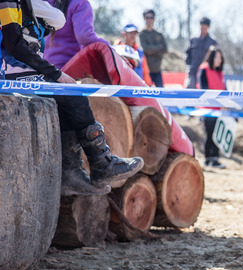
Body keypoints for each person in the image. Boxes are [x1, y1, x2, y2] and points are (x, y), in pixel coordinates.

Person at [1, 0, 144, 196]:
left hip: (18, 70)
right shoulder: (8, 1)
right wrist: (55, 73)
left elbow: (55, 21)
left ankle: (71, 170)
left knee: (65, 98)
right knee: (71, 93)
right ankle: (100, 162)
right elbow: (13, 42)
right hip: (8, 71)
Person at [43, 0, 109, 69]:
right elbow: (85, 37)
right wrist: (109, 48)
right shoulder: (80, 3)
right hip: (71, 70)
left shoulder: (45, 3)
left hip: (47, 68)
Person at [197, 45, 227, 169]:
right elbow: (203, 89)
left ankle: (214, 158)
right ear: (212, 58)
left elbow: (224, 90)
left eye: (220, 58)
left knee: (216, 134)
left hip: (219, 110)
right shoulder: (204, 70)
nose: (219, 60)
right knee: (209, 134)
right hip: (207, 109)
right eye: (217, 57)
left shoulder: (220, 73)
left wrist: (226, 103)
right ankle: (208, 158)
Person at [185, 17, 217, 89]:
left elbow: (216, 57)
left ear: (208, 27)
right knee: (190, 88)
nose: (202, 28)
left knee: (204, 91)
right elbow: (187, 53)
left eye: (204, 26)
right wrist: (189, 64)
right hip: (192, 69)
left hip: (205, 72)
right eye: (201, 25)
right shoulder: (193, 39)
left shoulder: (213, 41)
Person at [139, 9, 167, 88]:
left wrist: (151, 51)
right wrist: (158, 48)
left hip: (157, 68)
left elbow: (164, 49)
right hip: (146, 70)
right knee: (146, 94)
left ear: (154, 19)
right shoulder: (142, 33)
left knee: (161, 92)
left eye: (151, 17)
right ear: (144, 19)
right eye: (147, 17)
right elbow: (145, 49)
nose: (149, 20)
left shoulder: (159, 33)